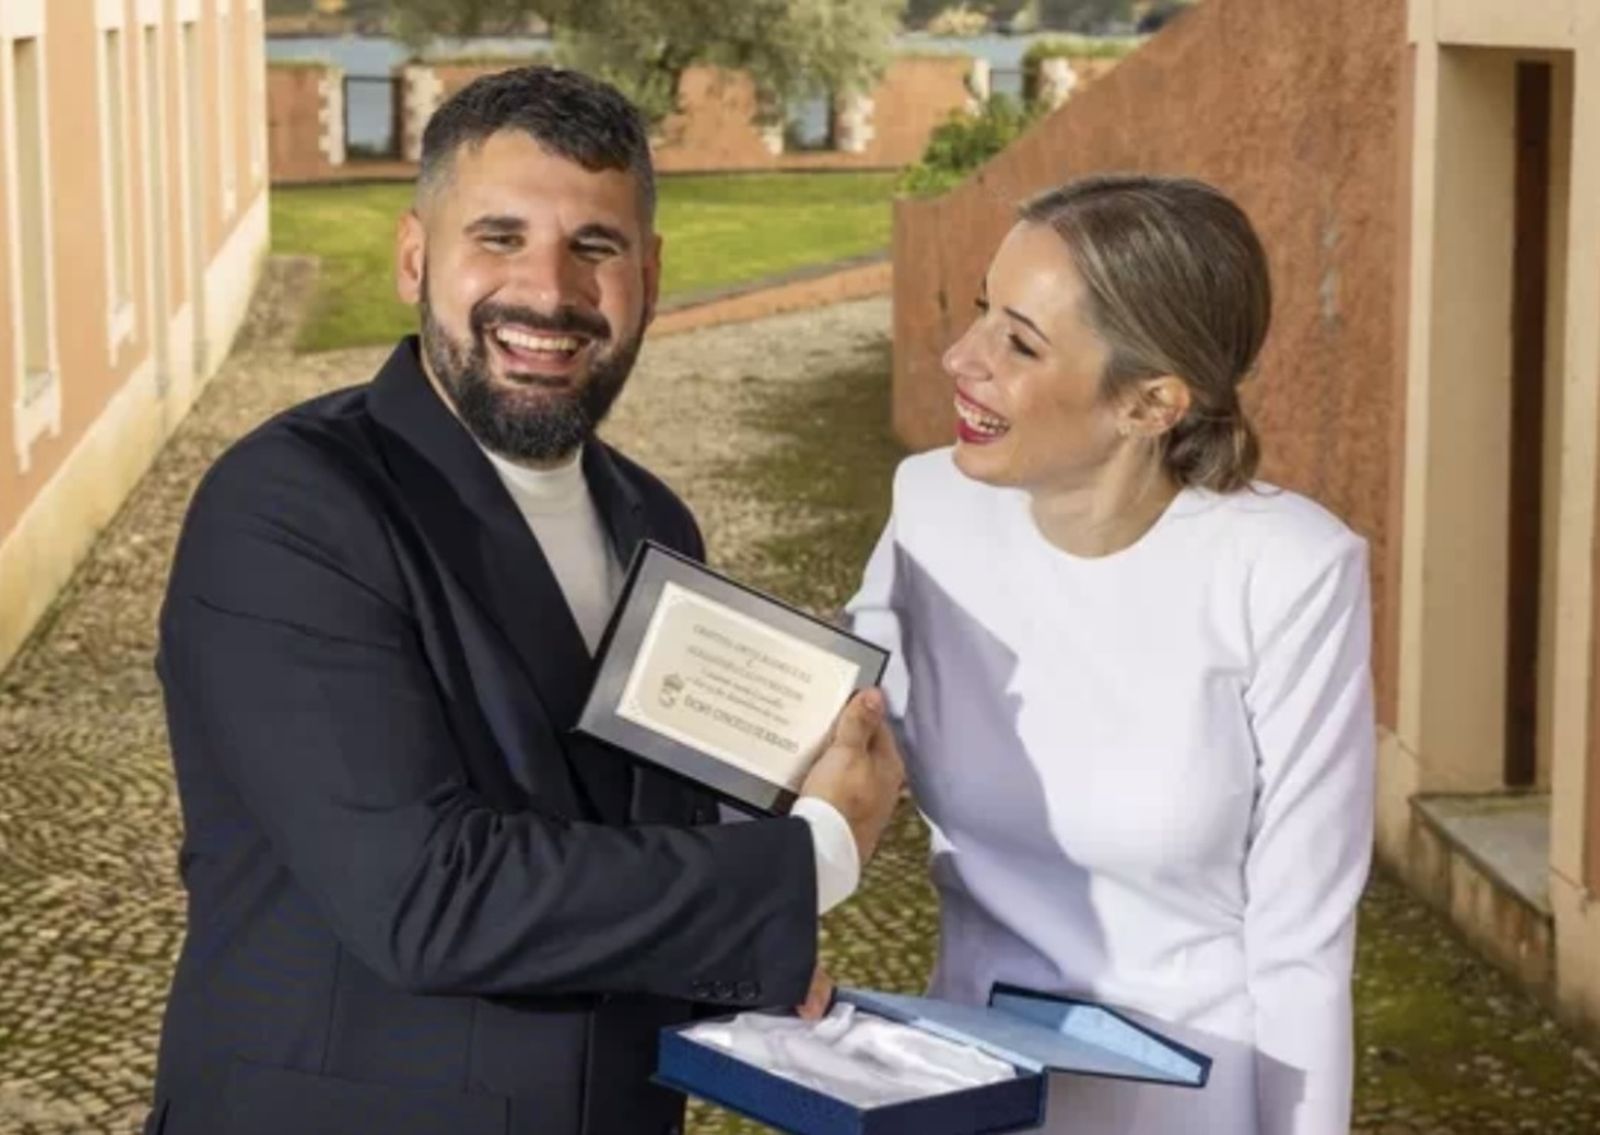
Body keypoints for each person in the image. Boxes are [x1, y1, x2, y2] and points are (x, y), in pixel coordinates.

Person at [144, 67, 902, 1135]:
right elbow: (427, 896)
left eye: (594, 246)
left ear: (649, 271)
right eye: (497, 237)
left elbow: (622, 830)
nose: (548, 292)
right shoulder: (290, 509)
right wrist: (813, 853)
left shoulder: (654, 518)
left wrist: (740, 970)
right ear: (415, 254)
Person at [846, 175, 1374, 1134]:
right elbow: (819, 739)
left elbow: (1302, 945)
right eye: (979, 314)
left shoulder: (1291, 573)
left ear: (1151, 403)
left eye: (1020, 340)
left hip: (1190, 1102)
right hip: (970, 1088)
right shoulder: (931, 509)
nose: (960, 358)